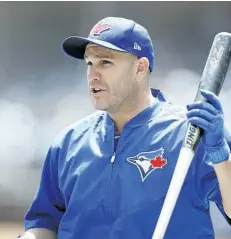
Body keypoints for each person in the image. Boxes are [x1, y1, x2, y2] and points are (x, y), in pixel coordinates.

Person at [18, 17, 231, 239]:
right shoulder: (69, 142)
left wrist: (222, 157)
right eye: (89, 63)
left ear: (140, 68)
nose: (93, 75)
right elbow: (45, 222)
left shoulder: (192, 133)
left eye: (105, 63)